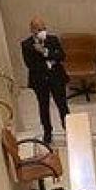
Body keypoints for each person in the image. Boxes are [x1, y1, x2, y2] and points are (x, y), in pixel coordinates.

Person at [21, 17, 70, 145]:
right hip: (40, 81)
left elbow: (61, 56)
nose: (42, 31)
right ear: (32, 30)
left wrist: (45, 52)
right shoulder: (26, 45)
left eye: (44, 28)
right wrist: (49, 62)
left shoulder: (52, 39)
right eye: (39, 29)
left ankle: (69, 129)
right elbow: (31, 64)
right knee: (44, 107)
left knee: (62, 105)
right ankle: (47, 132)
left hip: (56, 78)